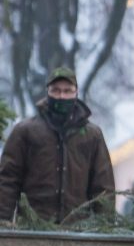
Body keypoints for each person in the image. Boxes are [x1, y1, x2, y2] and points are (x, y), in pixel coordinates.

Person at [0, 67, 114, 223]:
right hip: (32, 230)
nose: (61, 96)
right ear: (47, 92)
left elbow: (103, 187)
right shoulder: (25, 131)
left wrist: (105, 230)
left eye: (67, 91)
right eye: (56, 91)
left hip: (78, 232)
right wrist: (2, 222)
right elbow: (8, 179)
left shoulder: (92, 135)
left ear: (76, 93)